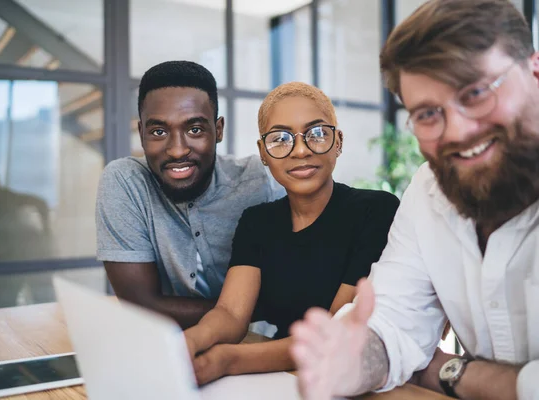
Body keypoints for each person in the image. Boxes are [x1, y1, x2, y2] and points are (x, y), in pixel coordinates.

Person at [289, 1, 539, 400]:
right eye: (426, 113)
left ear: (535, 71)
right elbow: (392, 324)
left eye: (475, 92)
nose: (456, 131)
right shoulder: (430, 189)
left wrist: (449, 373)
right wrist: (352, 362)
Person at [183, 82, 399, 385]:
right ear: (263, 153)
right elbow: (231, 313)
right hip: (279, 377)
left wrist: (227, 360)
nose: (300, 150)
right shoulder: (257, 221)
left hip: (353, 380)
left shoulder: (375, 211)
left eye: (318, 134)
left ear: (338, 142)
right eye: (280, 139)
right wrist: (186, 342)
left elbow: (335, 332)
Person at [96, 61, 284, 329]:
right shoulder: (126, 181)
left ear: (218, 130)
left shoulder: (260, 181)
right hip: (173, 350)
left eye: (194, 129)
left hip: (256, 347)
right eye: (159, 132)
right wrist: (240, 314)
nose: (176, 150)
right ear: (141, 133)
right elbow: (140, 304)